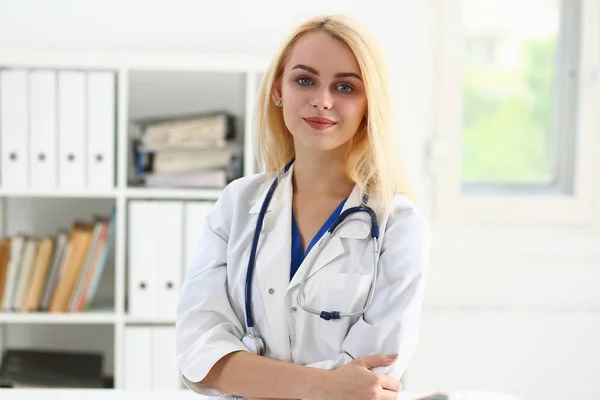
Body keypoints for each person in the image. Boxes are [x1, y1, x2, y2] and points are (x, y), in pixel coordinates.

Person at [176, 14, 431, 400]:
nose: (322, 101)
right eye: (305, 80)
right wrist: (324, 385)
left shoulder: (399, 226)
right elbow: (198, 354)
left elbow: (372, 379)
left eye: (345, 87)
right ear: (278, 89)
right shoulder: (237, 203)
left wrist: (245, 373)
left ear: (368, 105)